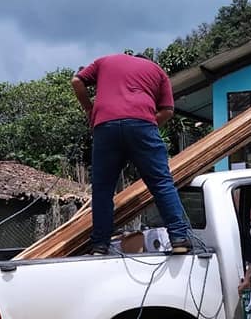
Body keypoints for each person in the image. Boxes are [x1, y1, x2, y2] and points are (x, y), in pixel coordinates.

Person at [71, 53, 192, 255]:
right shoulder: (157, 70)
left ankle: (100, 245)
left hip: (105, 125)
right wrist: (145, 125)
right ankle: (179, 238)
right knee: (161, 183)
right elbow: (168, 110)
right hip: (142, 123)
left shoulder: (106, 60)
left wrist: (89, 110)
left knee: (102, 190)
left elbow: (77, 81)